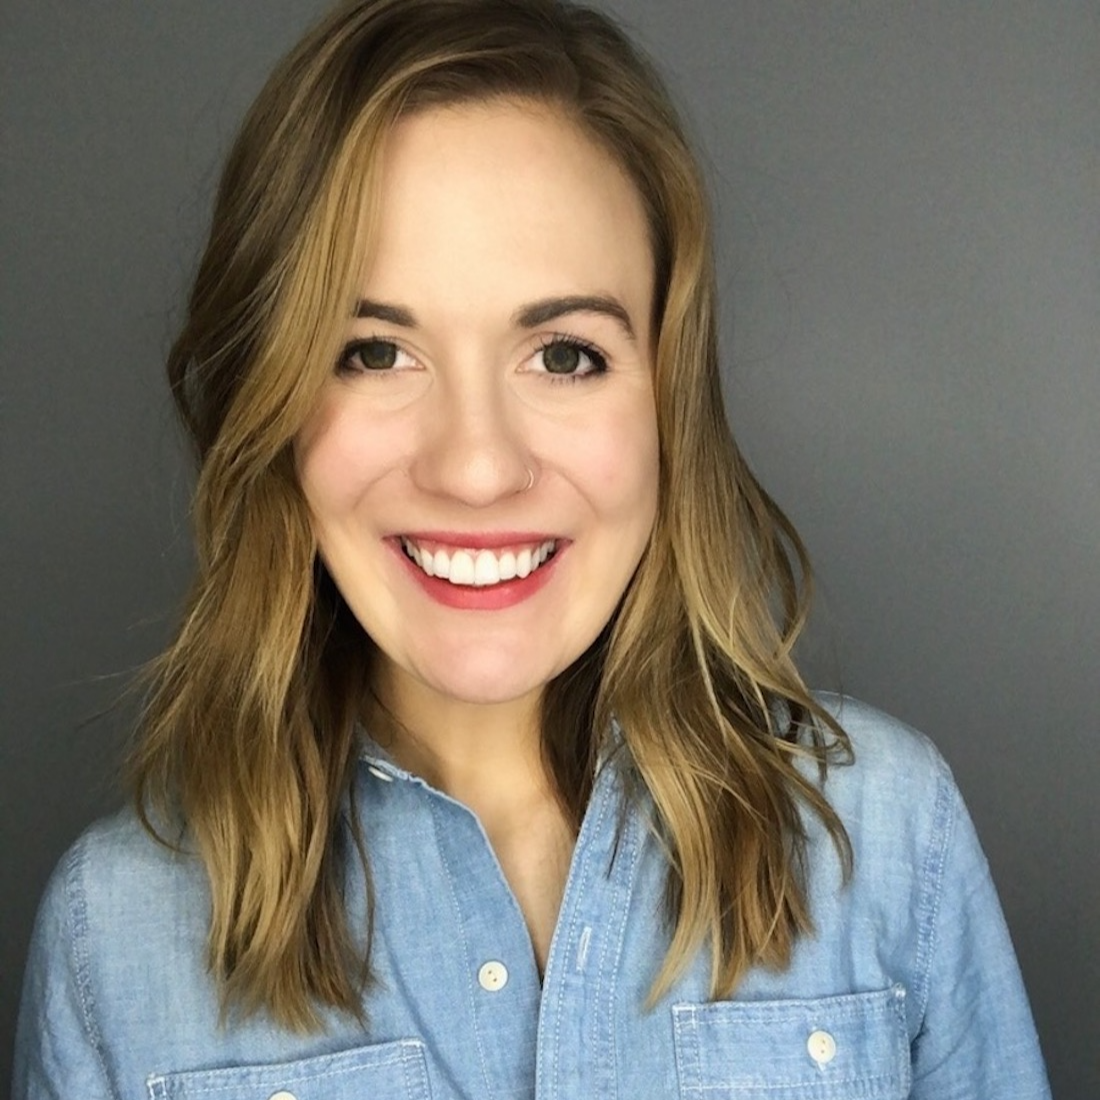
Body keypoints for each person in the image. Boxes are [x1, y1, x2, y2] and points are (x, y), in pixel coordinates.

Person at [13, 1, 1051, 1097]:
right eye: (374, 351)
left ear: (668, 400)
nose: (475, 467)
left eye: (562, 355)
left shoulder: (886, 835)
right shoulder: (112, 936)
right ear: (266, 400)